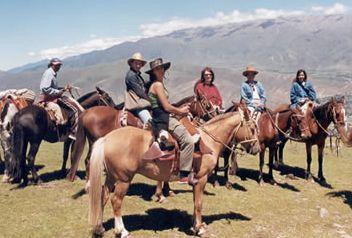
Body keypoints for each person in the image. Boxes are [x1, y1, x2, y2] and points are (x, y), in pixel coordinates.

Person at [146, 58, 197, 185]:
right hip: (164, 118)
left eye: (162, 68)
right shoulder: (157, 85)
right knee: (188, 140)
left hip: (162, 115)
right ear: (153, 71)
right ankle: (184, 174)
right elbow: (167, 107)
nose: (161, 70)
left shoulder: (158, 84)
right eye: (157, 69)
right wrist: (181, 112)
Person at [39, 58, 83, 140]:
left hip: (52, 97)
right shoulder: (49, 73)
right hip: (49, 98)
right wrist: (61, 91)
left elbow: (52, 88)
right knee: (75, 110)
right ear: (52, 65)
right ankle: (73, 132)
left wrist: (63, 88)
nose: (58, 67)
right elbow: (45, 88)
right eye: (57, 65)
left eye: (59, 65)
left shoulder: (52, 73)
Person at [124, 52, 152, 125]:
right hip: (137, 105)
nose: (138, 65)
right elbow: (140, 92)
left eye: (140, 64)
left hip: (140, 101)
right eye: (136, 63)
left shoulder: (136, 74)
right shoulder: (131, 76)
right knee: (150, 123)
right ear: (132, 63)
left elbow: (143, 85)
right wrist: (151, 100)